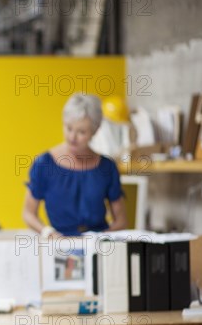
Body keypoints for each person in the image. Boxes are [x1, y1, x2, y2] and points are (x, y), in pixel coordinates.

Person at [22, 93, 127, 237]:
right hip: (59, 244)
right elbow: (28, 213)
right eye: (69, 128)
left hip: (97, 246)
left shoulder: (107, 167)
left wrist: (100, 238)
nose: (72, 138)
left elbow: (121, 221)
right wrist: (49, 233)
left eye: (81, 132)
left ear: (95, 131)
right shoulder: (44, 164)